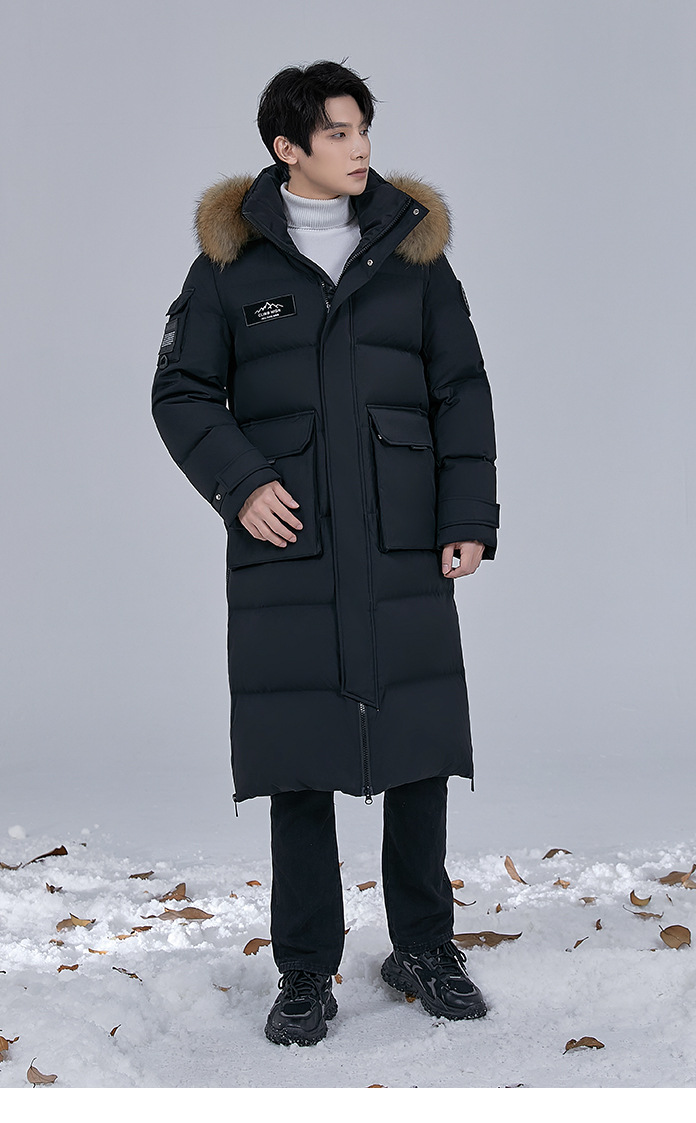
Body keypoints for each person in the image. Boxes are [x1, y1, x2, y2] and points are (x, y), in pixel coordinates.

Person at [151, 59, 499, 1047]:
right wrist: (241, 482)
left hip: (401, 536)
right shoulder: (230, 266)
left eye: (363, 129)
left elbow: (460, 387)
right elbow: (180, 390)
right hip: (291, 544)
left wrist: (465, 513)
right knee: (298, 755)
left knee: (417, 744)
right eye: (338, 132)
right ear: (287, 146)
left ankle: (423, 945)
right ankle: (304, 967)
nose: (360, 148)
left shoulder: (414, 254)